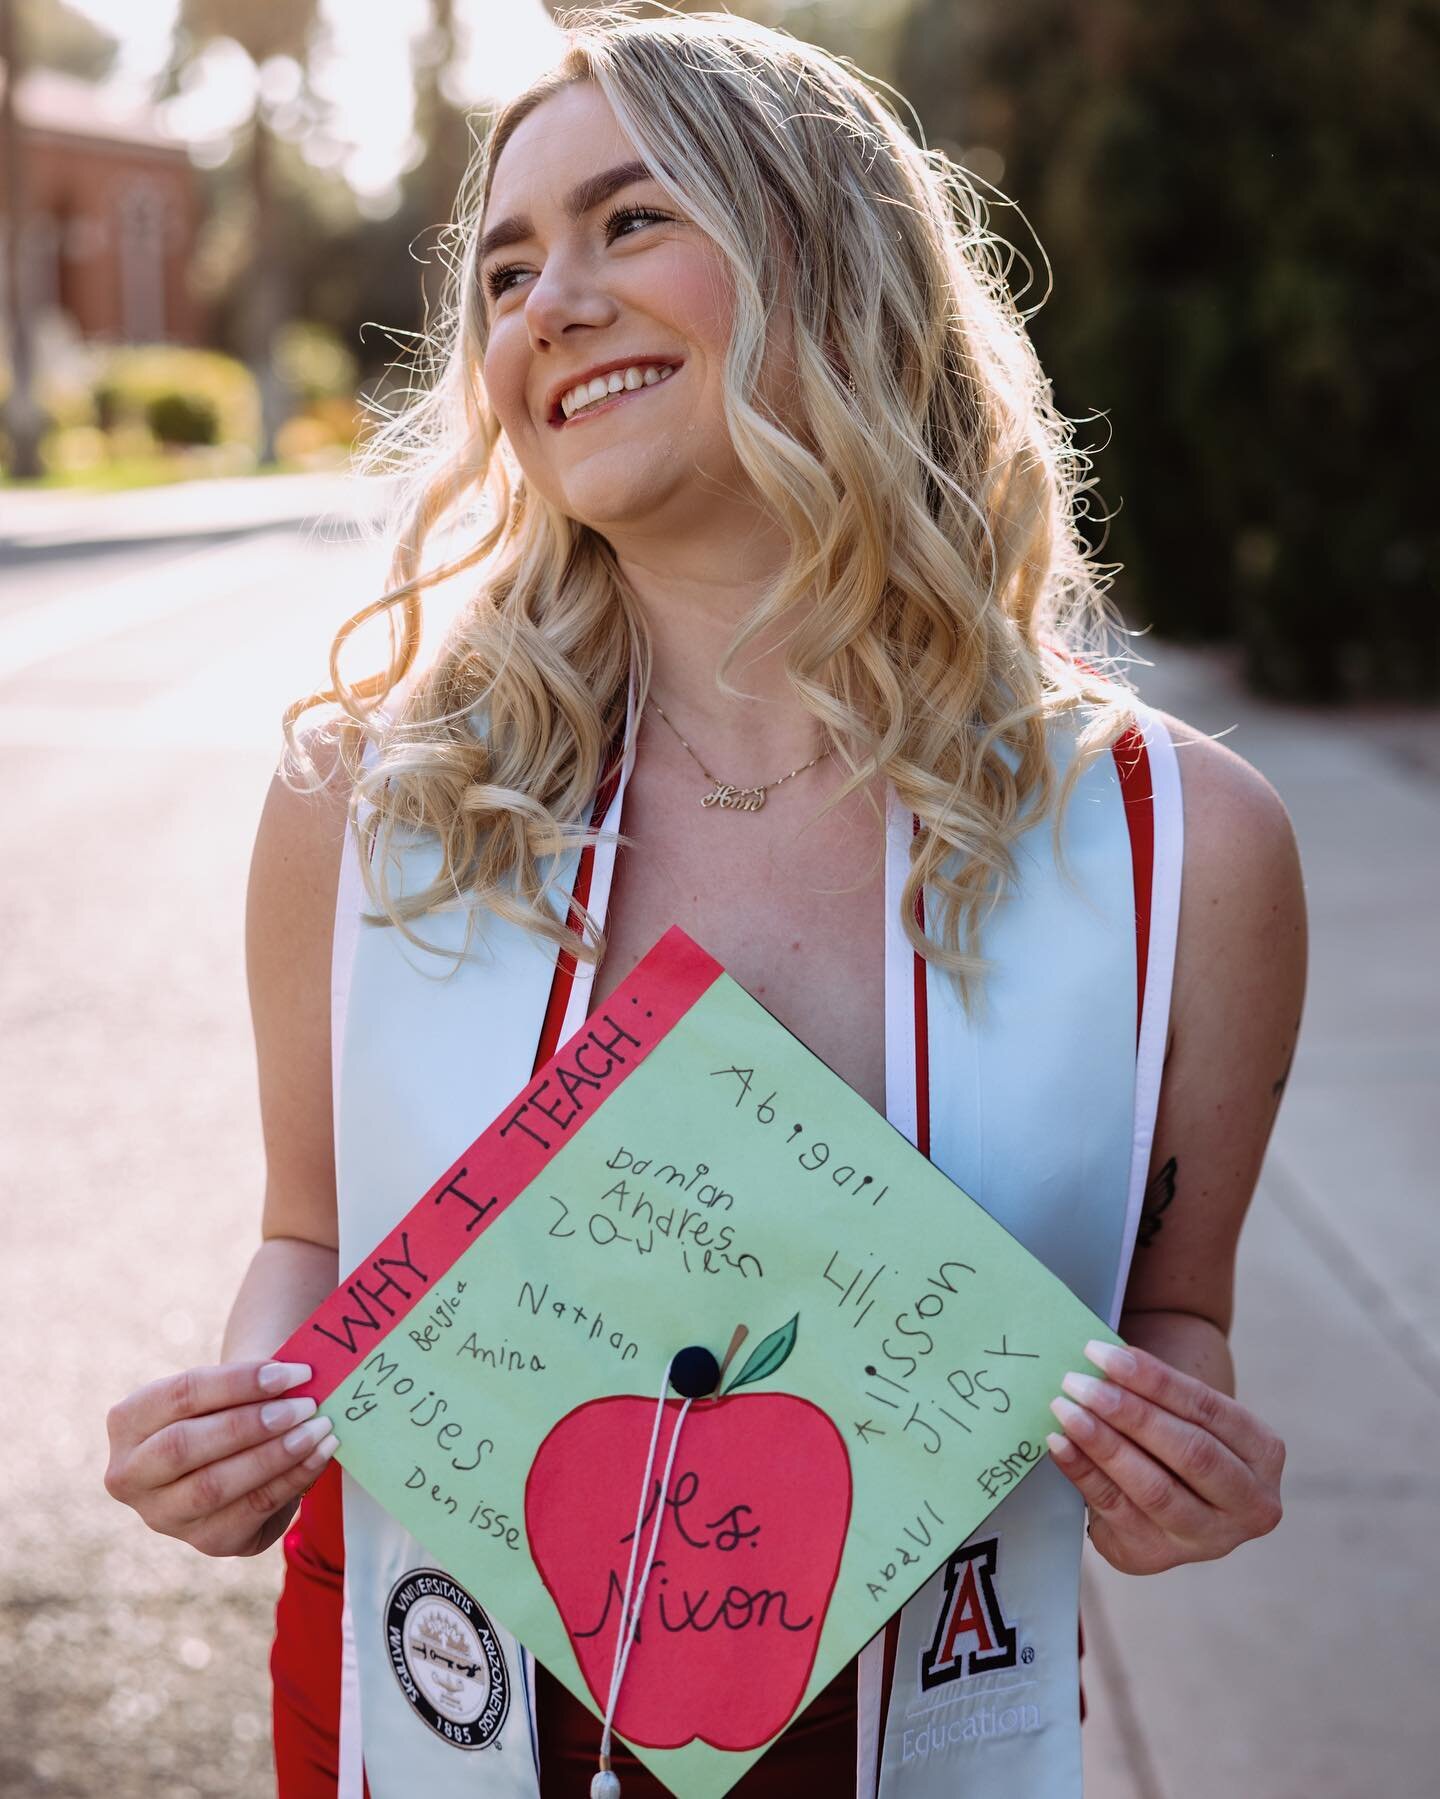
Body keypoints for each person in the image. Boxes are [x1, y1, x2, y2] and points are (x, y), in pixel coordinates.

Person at [103, 10, 1304, 1796]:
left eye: (629, 222)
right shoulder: (369, 810)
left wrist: (1180, 1479)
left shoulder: (1179, 849)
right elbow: (309, 1238)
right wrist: (244, 1418)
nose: (545, 305)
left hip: (926, 1741)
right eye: (504, 270)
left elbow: (1168, 1316)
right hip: (438, 1720)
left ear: (836, 262)